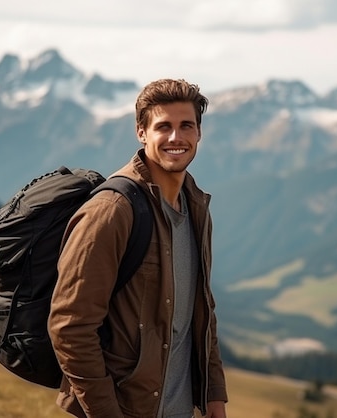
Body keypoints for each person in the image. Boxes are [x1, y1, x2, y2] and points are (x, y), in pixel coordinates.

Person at [48, 79, 228, 418]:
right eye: (164, 126)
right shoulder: (112, 211)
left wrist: (214, 397)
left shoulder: (196, 208)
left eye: (186, 126)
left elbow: (202, 313)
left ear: (199, 134)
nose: (176, 138)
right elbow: (70, 327)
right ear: (141, 132)